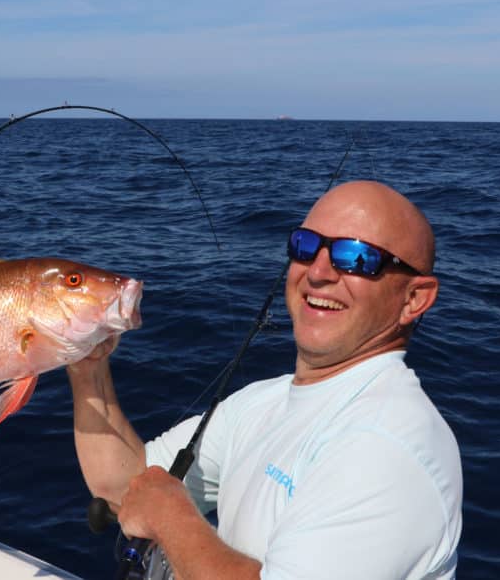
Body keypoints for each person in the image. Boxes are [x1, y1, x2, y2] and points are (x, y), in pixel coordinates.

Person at [68, 180, 463, 579]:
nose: (319, 272)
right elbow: (127, 487)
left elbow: (159, 504)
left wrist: (171, 518)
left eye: (356, 257)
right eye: (305, 246)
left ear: (415, 299)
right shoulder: (263, 402)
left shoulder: (388, 446)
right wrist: (87, 367)